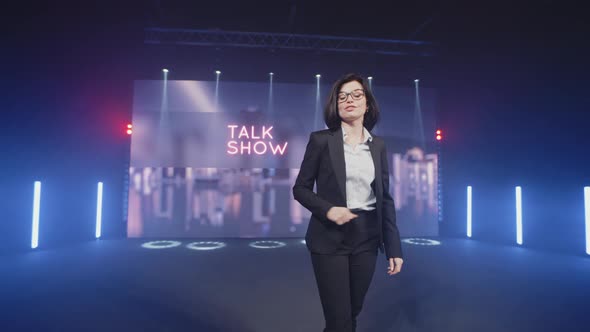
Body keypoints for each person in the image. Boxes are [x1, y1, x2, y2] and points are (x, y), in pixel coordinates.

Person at [293, 73, 404, 332]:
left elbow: (384, 199)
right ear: (336, 105)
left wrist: (394, 247)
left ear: (368, 104)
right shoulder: (321, 140)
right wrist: (328, 210)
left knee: (351, 312)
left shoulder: (378, 146)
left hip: (366, 236)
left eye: (356, 94)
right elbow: (300, 189)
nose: (348, 100)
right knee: (339, 319)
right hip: (329, 237)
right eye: (342, 96)